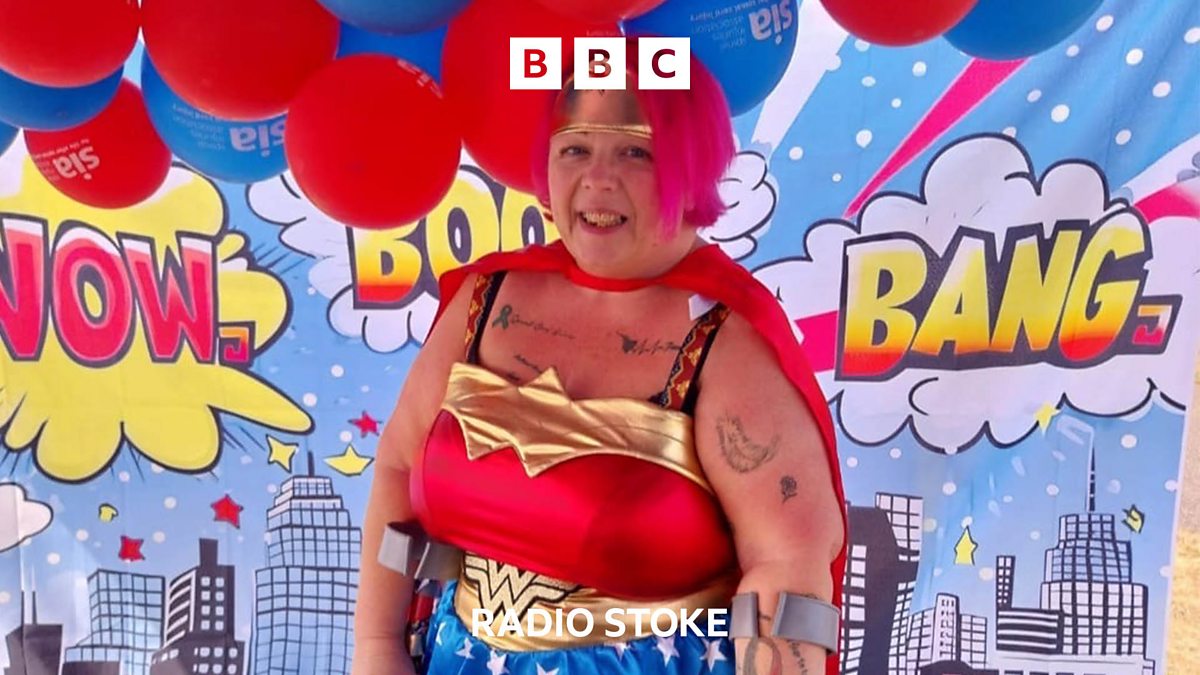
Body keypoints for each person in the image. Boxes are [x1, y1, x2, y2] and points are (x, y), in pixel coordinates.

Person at [353, 44, 847, 675]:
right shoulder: (486, 296)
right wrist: (376, 647)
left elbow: (789, 571)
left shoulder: (729, 342)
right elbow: (399, 469)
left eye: (635, 152)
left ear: (690, 166)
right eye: (575, 149)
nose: (598, 179)